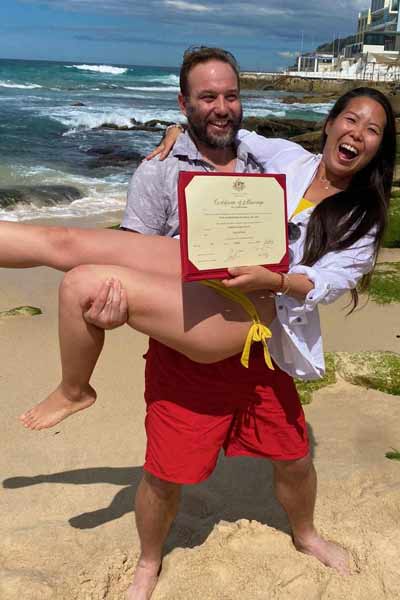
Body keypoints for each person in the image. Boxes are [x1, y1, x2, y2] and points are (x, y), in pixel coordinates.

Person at [0, 45, 395, 599]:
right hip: (196, 280)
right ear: (328, 126)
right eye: (350, 118)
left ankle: (305, 534)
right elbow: (222, 129)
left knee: (294, 458)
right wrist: (171, 127)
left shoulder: (362, 217)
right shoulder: (284, 157)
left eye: (373, 128)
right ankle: (145, 556)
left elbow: (327, 282)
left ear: (380, 146)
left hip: (253, 320)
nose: (357, 132)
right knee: (71, 259)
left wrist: (276, 280)